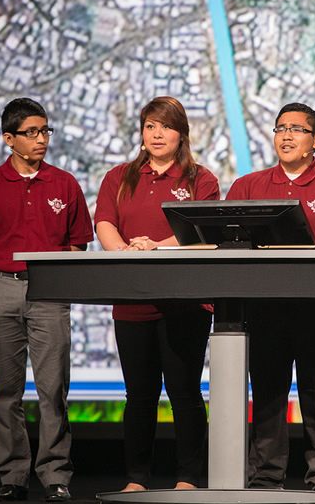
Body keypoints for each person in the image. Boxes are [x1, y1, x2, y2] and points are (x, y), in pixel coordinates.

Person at [225, 102, 315, 492]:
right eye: (280, 128)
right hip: (264, 306)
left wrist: (311, 253)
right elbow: (228, 243)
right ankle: (266, 477)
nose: (286, 136)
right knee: (268, 392)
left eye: (297, 129)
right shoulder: (247, 187)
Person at [0, 97, 93, 503]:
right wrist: (2, 277)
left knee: (53, 390)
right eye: (32, 132)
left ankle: (55, 475)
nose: (41, 139)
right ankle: (13, 477)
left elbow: (77, 244)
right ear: (9, 139)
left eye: (45, 131)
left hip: (50, 293)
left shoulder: (64, 183)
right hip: (1, 288)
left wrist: (49, 281)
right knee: (6, 391)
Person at [94, 96, 220, 492]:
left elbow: (202, 235)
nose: (157, 133)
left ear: (181, 133)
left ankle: (188, 478)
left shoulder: (201, 179)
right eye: (150, 126)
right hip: (132, 300)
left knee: (184, 393)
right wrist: (125, 251)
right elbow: (104, 223)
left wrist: (156, 247)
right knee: (140, 395)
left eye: (165, 126)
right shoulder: (118, 177)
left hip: (186, 303)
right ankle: (136, 478)